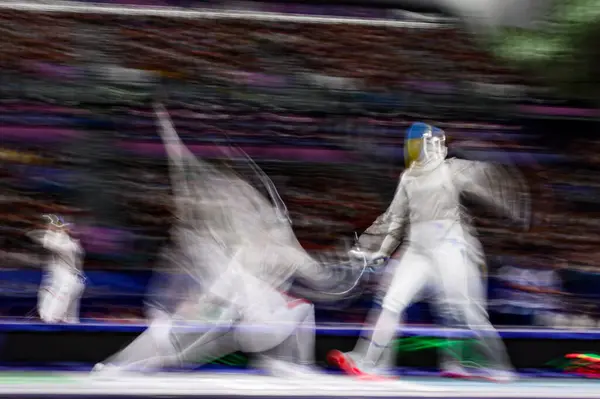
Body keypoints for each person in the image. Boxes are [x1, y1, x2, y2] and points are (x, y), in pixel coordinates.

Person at [328, 122, 530, 382]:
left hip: (450, 244)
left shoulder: (451, 169)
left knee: (465, 310)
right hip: (417, 248)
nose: (412, 150)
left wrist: (510, 205)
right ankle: (371, 363)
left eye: (416, 144)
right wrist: (369, 247)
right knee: (391, 301)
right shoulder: (408, 178)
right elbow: (394, 218)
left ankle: (496, 366)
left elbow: (486, 183)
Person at [28, 214, 85, 323]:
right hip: (69, 280)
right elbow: (34, 235)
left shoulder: (68, 244)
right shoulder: (65, 241)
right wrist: (54, 228)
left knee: (51, 318)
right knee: (69, 320)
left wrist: (54, 228)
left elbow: (36, 236)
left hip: (67, 281)